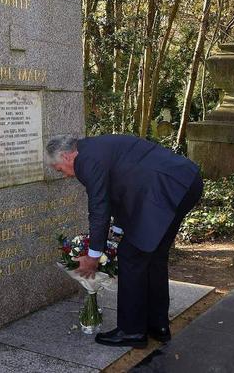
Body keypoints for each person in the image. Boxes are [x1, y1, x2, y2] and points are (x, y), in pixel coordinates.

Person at [46, 134, 203, 348]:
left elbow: (99, 208)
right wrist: (115, 236)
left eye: (59, 169)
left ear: (66, 156)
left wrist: (93, 256)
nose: (64, 175)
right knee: (154, 255)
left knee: (132, 256)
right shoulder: (95, 148)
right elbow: (121, 192)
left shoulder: (85, 161)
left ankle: (132, 331)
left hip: (162, 189)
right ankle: (158, 325)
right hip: (185, 183)